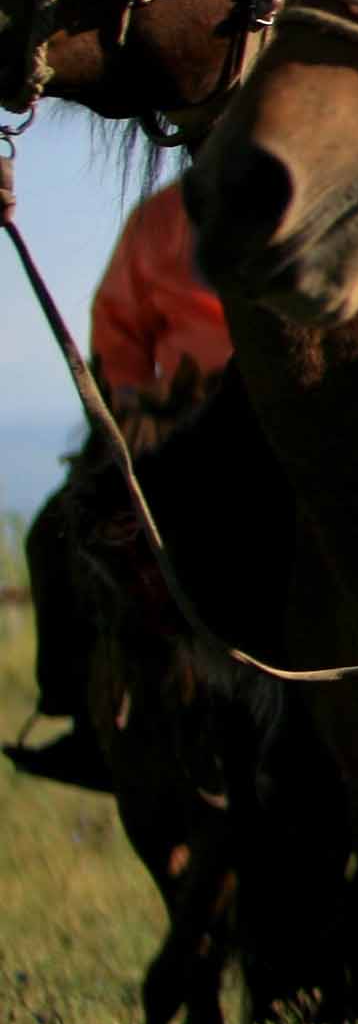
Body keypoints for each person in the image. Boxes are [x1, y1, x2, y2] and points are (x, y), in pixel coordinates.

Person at [3, 180, 230, 790]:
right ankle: (80, 717)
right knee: (58, 532)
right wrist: (129, 400)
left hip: (286, 419)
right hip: (174, 426)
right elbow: (118, 322)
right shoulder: (164, 216)